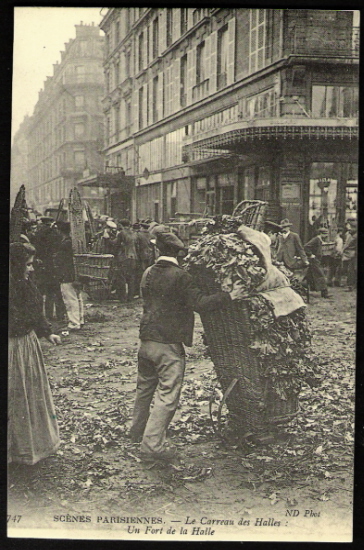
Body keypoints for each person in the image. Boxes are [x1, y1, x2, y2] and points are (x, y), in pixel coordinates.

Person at [129, 230, 237, 461]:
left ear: (158, 250)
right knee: (168, 394)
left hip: (145, 339)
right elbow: (200, 303)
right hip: (168, 344)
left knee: (144, 389)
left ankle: (136, 432)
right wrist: (229, 296)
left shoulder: (147, 272)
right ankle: (152, 446)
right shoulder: (181, 276)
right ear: (178, 253)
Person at [9, 242, 61, 465]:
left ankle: (29, 445)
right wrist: (30, 324)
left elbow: (35, 309)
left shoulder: (27, 282)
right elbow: (15, 318)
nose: (31, 269)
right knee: (15, 395)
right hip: (13, 345)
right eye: (28, 264)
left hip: (26, 343)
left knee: (29, 393)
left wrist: (47, 332)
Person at [32, 216, 65, 321]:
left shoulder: (38, 233)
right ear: (50, 222)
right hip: (54, 265)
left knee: (48, 292)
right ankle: (60, 315)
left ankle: (49, 315)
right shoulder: (54, 233)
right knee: (58, 291)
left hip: (43, 266)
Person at [54, 221, 84, 331]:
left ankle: (74, 323)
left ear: (60, 231)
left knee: (70, 299)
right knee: (77, 297)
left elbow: (60, 260)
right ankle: (80, 320)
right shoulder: (72, 242)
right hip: (74, 274)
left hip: (66, 274)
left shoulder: (64, 243)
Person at [112, 219, 139, 301]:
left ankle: (122, 297)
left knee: (121, 277)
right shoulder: (134, 234)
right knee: (131, 277)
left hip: (124, 257)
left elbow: (116, 245)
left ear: (121, 225)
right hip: (134, 257)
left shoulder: (121, 233)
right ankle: (130, 297)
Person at [304, 226, 331, 298]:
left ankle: (304, 289)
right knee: (321, 275)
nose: (326, 236)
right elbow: (306, 246)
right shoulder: (316, 239)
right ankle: (325, 293)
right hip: (314, 261)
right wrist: (311, 255)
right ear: (321, 234)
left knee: (309, 276)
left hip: (317, 260)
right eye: (325, 234)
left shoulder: (319, 240)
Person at [342, 220, 357, 291]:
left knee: (351, 270)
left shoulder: (354, 236)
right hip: (354, 254)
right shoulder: (352, 235)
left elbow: (347, 245)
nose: (349, 229)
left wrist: (342, 250)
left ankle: (350, 286)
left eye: (351, 227)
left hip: (354, 255)